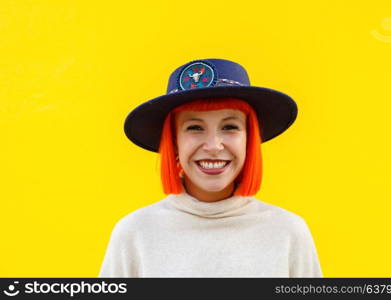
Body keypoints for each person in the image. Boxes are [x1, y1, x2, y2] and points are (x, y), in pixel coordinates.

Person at [98, 58, 323, 277]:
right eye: (195, 127)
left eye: (230, 126)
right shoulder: (134, 234)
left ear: (249, 138)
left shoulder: (288, 233)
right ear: (174, 141)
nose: (214, 146)